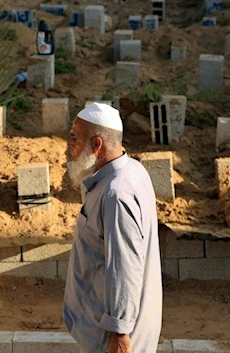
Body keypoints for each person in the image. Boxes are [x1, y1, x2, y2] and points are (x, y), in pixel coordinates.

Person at [63, 103, 163, 353]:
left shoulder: (115, 195)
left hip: (111, 339)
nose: (69, 144)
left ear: (96, 145)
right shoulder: (132, 171)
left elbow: (125, 266)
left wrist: (119, 333)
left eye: (75, 138)